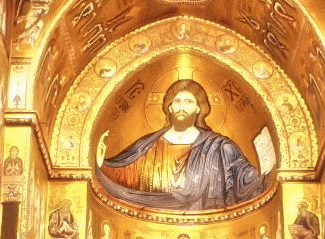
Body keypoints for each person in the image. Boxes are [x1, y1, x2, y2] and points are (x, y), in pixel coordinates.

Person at [96, 79, 267, 211]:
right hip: (152, 221)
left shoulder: (220, 148)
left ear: (199, 109)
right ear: (169, 108)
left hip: (207, 229)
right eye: (177, 102)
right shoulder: (147, 146)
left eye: (189, 102)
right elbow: (123, 175)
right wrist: (101, 163)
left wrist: (263, 173)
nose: (181, 107)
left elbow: (245, 180)